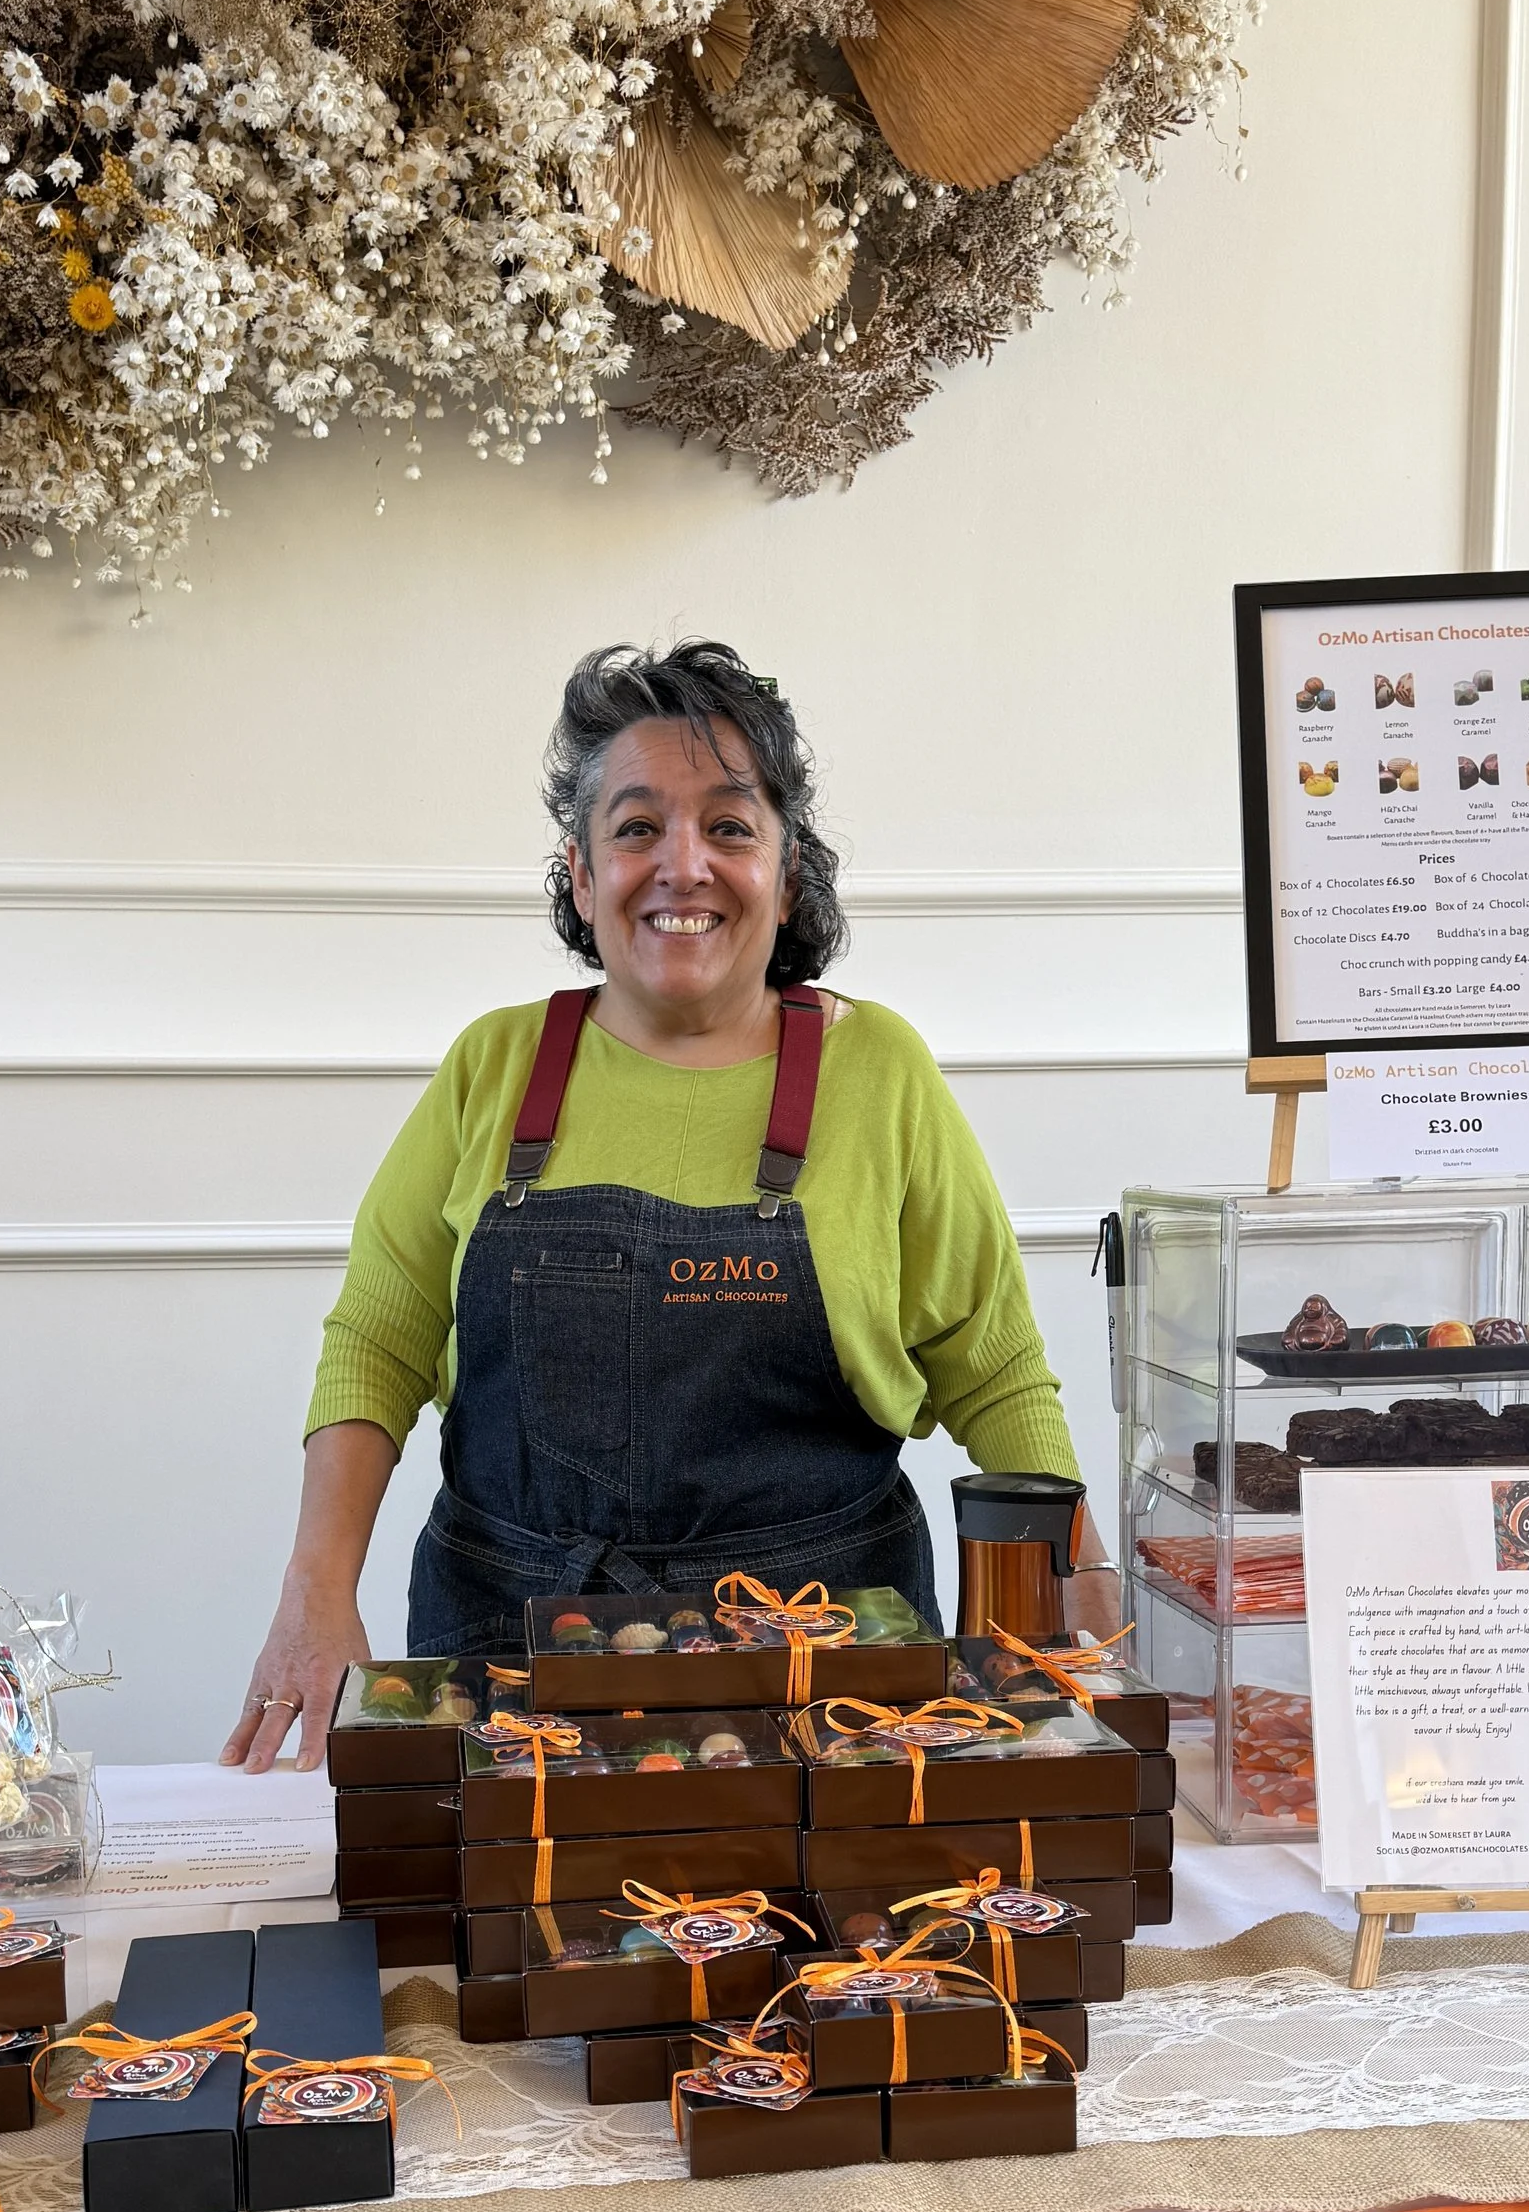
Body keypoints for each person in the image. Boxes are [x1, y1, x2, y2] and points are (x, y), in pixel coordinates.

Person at [225, 639, 1116, 1770]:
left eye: (730, 827)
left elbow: (992, 1364)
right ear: (582, 875)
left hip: (825, 1664)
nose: (681, 865)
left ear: (788, 875)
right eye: (637, 827)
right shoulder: (489, 1069)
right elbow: (377, 1341)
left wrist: (1083, 1578)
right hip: (505, 1656)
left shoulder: (880, 1071)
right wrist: (314, 1595)